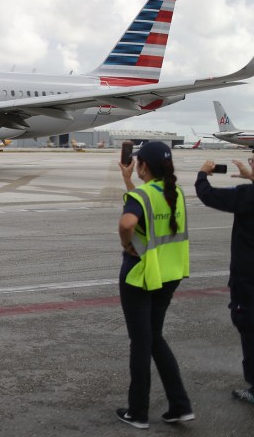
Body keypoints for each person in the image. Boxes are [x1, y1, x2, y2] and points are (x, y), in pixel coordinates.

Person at [115, 141, 194, 429]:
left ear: (143, 166)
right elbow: (148, 206)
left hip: (140, 276)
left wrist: (127, 243)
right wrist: (127, 181)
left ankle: (137, 412)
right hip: (169, 274)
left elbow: (128, 222)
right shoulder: (176, 193)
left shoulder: (145, 195)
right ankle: (180, 405)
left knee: (141, 343)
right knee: (155, 338)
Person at [195, 158, 254, 406]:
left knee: (249, 330)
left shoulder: (247, 195)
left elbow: (207, 195)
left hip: (248, 279)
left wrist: (202, 174)